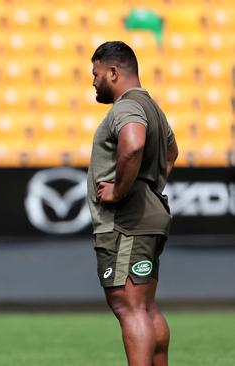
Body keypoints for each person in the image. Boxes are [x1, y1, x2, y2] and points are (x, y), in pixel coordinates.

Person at [87, 41, 178, 366]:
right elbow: (171, 153)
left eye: (96, 73)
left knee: (129, 307)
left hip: (127, 222)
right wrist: (151, 185)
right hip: (148, 217)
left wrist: (120, 190)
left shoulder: (126, 107)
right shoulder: (153, 107)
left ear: (113, 72)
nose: (93, 81)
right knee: (146, 307)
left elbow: (133, 144)